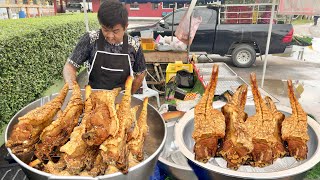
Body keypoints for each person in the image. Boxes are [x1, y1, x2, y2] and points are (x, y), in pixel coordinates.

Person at [63, 0, 146, 94]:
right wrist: (71, 90)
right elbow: (70, 66)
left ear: (125, 26)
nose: (110, 36)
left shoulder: (134, 45)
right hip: (93, 99)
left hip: (119, 101)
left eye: (115, 31)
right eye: (105, 30)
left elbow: (140, 73)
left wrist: (127, 97)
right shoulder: (91, 39)